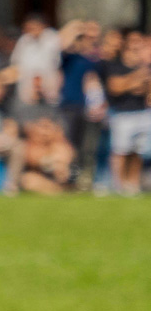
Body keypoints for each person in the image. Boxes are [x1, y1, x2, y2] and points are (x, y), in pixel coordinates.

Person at [58, 20, 105, 191]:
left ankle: (84, 181)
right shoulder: (70, 56)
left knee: (87, 148)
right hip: (69, 107)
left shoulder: (96, 60)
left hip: (89, 110)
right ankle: (68, 181)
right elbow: (60, 43)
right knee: (69, 146)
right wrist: (74, 27)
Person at [103, 30, 151, 197]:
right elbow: (115, 87)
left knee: (137, 151)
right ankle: (118, 185)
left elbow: (145, 91)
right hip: (122, 114)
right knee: (120, 151)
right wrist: (136, 79)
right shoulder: (115, 64)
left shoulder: (145, 65)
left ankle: (133, 184)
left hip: (142, 112)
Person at [11, 13, 64, 97]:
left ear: (43, 26)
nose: (32, 30)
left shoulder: (52, 37)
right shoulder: (24, 40)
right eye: (29, 28)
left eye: (35, 27)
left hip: (48, 84)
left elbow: (55, 62)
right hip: (27, 85)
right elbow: (16, 62)